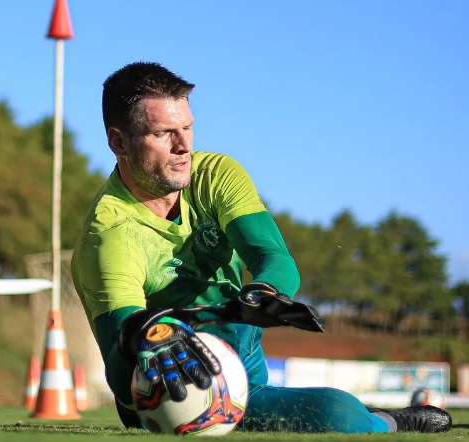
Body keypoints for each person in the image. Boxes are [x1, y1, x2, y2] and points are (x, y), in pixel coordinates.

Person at [70, 61, 452, 433]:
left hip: (244, 357)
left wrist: (262, 291)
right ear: (119, 141)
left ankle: (361, 414)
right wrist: (149, 334)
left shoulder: (216, 174)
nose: (184, 146)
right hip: (177, 388)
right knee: (338, 413)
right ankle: (394, 421)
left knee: (324, 408)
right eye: (164, 133)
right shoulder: (108, 236)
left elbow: (275, 259)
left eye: (188, 127)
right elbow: (123, 373)